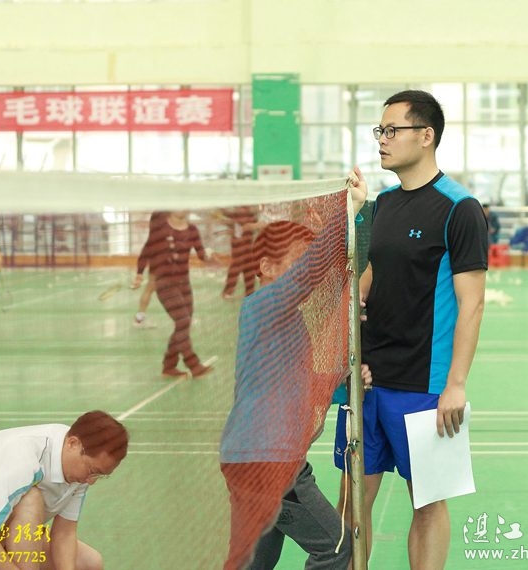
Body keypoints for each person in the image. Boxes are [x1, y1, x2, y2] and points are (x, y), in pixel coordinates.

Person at [333, 90, 488, 569]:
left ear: (426, 136)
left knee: (428, 503)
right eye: (379, 130)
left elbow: (472, 302)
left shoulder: (459, 208)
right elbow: (370, 274)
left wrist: (455, 384)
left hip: (425, 385)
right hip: (367, 382)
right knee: (351, 504)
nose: (382, 139)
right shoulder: (382, 205)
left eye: (391, 130)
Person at [220, 178, 368, 570]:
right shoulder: (264, 306)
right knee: (335, 548)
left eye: (306, 256)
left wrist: (347, 379)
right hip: (268, 462)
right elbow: (309, 274)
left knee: (254, 562)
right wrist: (349, 213)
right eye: (297, 258)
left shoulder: (287, 320)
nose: (305, 266)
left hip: (250, 460)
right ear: (267, 267)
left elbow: (296, 383)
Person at [0, 410, 128, 570]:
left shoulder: (78, 469)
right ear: (73, 443)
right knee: (30, 498)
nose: (91, 481)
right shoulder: (22, 457)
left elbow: (64, 534)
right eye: (92, 470)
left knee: (89, 563)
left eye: (100, 475)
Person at [139, 210, 214, 378]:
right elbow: (146, 250)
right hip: (165, 283)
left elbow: (201, 254)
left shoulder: (192, 230)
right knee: (183, 321)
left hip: (184, 284)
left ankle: (169, 366)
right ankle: (194, 365)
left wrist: (208, 255)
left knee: (183, 325)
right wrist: (139, 273)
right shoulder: (161, 229)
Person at [131, 211, 169, 329]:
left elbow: (144, 254)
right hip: (165, 264)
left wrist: (139, 273)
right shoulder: (167, 234)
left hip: (157, 264)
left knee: (149, 289)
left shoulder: (153, 236)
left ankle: (139, 320)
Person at [219, 206, 259, 300]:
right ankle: (228, 292)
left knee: (248, 270)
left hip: (247, 247)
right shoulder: (235, 216)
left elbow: (253, 223)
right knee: (235, 269)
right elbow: (227, 214)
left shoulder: (250, 217)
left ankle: (249, 293)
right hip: (238, 247)